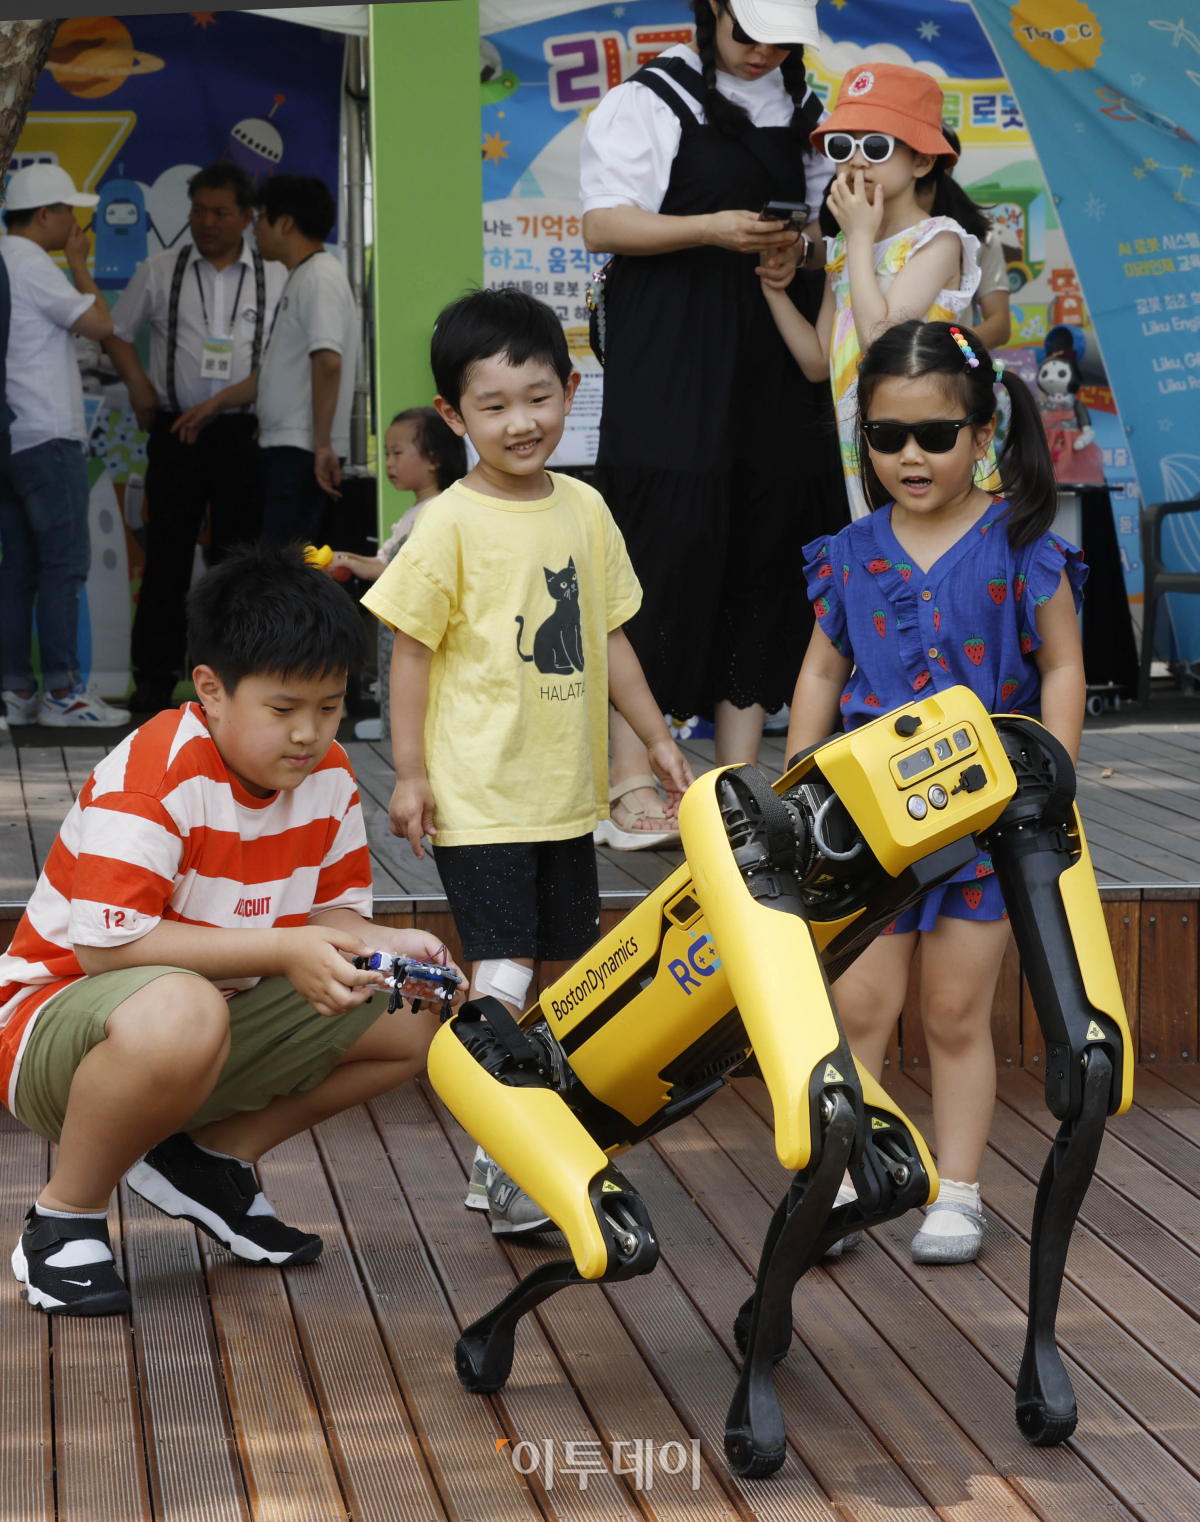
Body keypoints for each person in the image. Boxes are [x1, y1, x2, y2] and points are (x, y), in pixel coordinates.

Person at [0, 542, 464, 1316]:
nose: (308, 734)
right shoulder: (156, 775)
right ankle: (63, 1219)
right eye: (283, 709)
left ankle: (210, 1162)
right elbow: (103, 947)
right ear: (211, 691)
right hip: (58, 1035)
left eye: (329, 706)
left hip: (203, 1023)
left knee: (409, 1010)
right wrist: (284, 946)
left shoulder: (330, 778)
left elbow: (333, 915)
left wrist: (391, 950)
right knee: (185, 1007)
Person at [361, 288, 694, 1233]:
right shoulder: (447, 525)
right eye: (494, 406)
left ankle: (509, 1144)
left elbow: (613, 639)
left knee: (559, 973)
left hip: (564, 797)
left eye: (539, 397)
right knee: (502, 975)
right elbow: (411, 656)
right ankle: (504, 1155)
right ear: (454, 418)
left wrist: (659, 740)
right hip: (481, 798)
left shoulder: (585, 509)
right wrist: (413, 775)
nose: (522, 422)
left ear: (572, 392)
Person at [787, 319, 1085, 1265]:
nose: (910, 456)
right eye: (886, 437)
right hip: (869, 823)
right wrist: (796, 797)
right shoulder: (848, 550)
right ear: (862, 437)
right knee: (861, 1011)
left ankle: (957, 1191)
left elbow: (1065, 667)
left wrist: (1052, 782)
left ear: (982, 429)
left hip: (987, 820)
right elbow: (820, 679)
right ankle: (841, 1179)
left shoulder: (1022, 540)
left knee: (958, 1014)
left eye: (935, 435)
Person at [580, 0, 847, 848]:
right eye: (748, 33)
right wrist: (710, 228)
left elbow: (823, 235)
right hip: (673, 349)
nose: (765, 51)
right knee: (666, 543)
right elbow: (601, 224)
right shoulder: (652, 97)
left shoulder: (812, 112)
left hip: (770, 348)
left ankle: (735, 778)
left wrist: (792, 250)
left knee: (767, 543)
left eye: (782, 40)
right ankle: (631, 777)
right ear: (711, 13)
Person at [759, 62, 981, 520]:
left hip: (932, 443)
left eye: (876, 147)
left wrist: (859, 238)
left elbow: (883, 344)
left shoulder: (939, 240)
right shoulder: (845, 250)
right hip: (867, 440)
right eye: (843, 146)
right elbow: (819, 360)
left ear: (921, 160)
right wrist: (775, 290)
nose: (856, 160)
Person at [105, 161, 286, 714]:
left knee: (237, 556)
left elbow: (285, 361)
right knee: (166, 555)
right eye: (198, 211)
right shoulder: (161, 269)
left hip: (241, 430)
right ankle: (153, 680)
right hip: (176, 430)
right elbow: (115, 333)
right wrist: (139, 387)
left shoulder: (275, 276)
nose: (206, 222)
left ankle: (234, 674)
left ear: (247, 217)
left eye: (220, 212)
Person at [0, 164, 128, 729]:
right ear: (46, 215)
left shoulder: (3, 260)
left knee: (18, 569)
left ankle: (14, 690)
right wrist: (78, 265)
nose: (78, 224)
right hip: (49, 435)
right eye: (70, 213)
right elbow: (101, 323)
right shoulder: (31, 263)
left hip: (10, 436)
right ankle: (62, 695)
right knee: (63, 565)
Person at [175, 175, 357, 546]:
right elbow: (276, 372)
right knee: (276, 566)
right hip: (285, 446)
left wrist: (322, 443)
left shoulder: (320, 277)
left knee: (285, 572)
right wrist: (214, 406)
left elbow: (328, 362)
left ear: (285, 223)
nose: (254, 231)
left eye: (259, 219)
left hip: (302, 451)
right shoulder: (303, 275)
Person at [320, 407, 467, 745]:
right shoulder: (416, 510)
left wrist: (352, 563)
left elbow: (405, 571)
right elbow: (383, 560)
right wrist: (344, 559)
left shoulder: (438, 510)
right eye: (387, 454)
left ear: (434, 459)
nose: (388, 463)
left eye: (397, 453)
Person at [915, 128, 1011, 352]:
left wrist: (947, 351)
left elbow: (999, 325)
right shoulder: (867, 227)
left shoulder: (976, 233)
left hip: (951, 377)